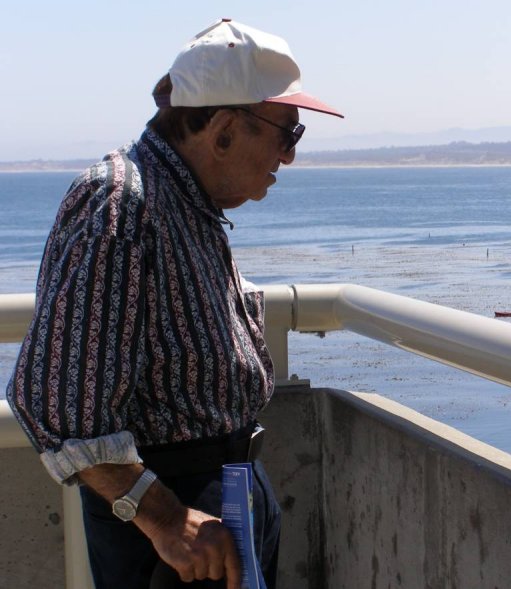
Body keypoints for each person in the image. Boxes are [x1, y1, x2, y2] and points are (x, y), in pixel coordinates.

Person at [6, 18, 343, 588]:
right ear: (224, 130)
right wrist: (165, 519)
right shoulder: (122, 203)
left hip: (218, 504)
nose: (288, 156)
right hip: (176, 533)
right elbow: (58, 404)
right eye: (289, 132)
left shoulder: (182, 202)